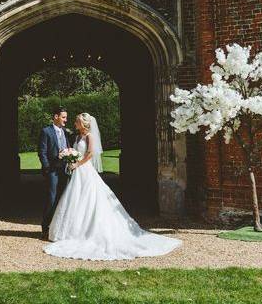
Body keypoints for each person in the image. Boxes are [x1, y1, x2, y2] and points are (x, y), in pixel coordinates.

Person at [43, 113, 182, 260]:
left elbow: (90, 154)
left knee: (89, 198)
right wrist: (70, 157)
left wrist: (77, 163)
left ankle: (89, 231)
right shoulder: (77, 137)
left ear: (83, 123)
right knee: (74, 198)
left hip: (85, 170)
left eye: (77, 121)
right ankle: (71, 231)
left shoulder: (90, 136)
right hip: (77, 172)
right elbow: (76, 151)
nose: (74, 123)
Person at [38, 107, 70, 241]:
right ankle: (45, 228)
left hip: (64, 171)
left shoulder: (66, 132)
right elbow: (42, 151)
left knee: (62, 199)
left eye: (66, 117)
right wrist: (47, 168)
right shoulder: (46, 131)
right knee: (51, 199)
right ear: (56, 116)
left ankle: (57, 228)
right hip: (52, 171)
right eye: (63, 117)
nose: (65, 120)